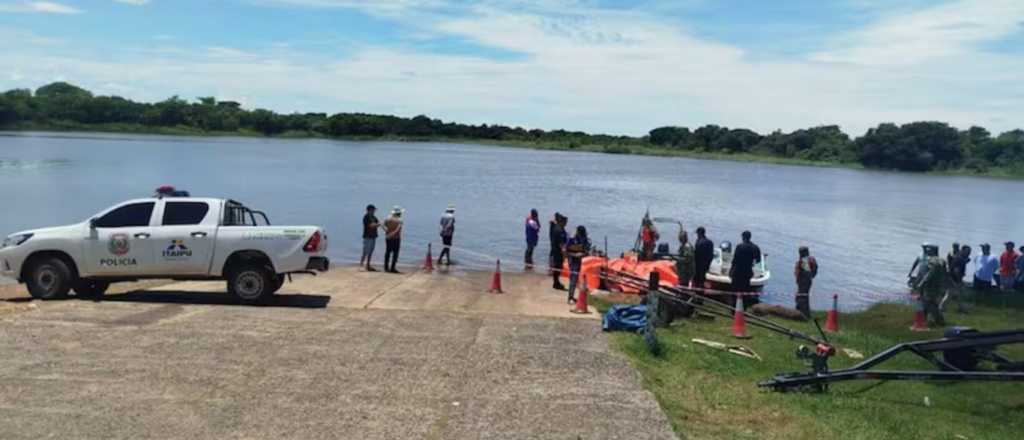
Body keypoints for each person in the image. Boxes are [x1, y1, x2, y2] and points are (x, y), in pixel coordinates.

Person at [914, 244, 947, 327]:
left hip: (930, 286)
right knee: (926, 303)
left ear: (933, 251)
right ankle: (923, 321)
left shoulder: (933, 261)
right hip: (938, 286)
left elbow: (929, 274)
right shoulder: (942, 260)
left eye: (929, 250)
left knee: (929, 303)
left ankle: (939, 321)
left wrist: (921, 283)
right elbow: (945, 274)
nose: (928, 251)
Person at [729, 230, 762, 308]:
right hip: (747, 271)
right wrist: (751, 263)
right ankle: (743, 307)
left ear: (743, 237)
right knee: (745, 290)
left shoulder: (740, 246)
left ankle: (734, 308)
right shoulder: (755, 247)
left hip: (738, 271)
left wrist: (731, 271)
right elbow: (758, 260)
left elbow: (734, 260)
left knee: (735, 290)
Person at [564, 225, 591, 305]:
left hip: (579, 260)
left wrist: (582, 254)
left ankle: (572, 296)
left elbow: (586, 251)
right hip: (572, 260)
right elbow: (566, 251)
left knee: (575, 279)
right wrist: (574, 255)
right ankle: (570, 298)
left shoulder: (585, 239)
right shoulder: (572, 239)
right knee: (573, 279)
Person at [942, 245, 971, 314]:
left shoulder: (960, 257)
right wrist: (958, 281)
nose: (969, 253)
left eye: (969, 252)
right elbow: (956, 271)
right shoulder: (960, 258)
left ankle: (961, 307)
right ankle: (941, 307)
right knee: (950, 294)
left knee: (958, 294)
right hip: (953, 279)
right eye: (967, 251)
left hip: (953, 278)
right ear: (963, 250)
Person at [793, 246, 818, 318]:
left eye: (800, 252)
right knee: (804, 297)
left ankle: (801, 313)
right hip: (807, 282)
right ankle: (804, 312)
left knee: (801, 297)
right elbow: (814, 271)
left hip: (804, 283)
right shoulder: (811, 260)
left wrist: (800, 280)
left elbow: (807, 273)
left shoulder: (804, 262)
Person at [548, 213, 568, 290]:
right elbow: (561, 245)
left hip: (555, 250)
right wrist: (564, 255)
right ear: (562, 221)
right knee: (558, 267)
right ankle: (556, 283)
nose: (566, 224)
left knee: (557, 267)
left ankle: (556, 282)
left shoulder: (557, 228)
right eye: (565, 222)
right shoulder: (560, 230)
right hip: (558, 252)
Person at [383, 206, 404, 274]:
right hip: (396, 238)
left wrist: (387, 232)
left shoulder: (387, 219)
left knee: (387, 252)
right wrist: (393, 234)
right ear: (398, 214)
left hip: (388, 237)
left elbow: (383, 225)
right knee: (395, 253)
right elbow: (398, 229)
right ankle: (392, 268)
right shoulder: (400, 220)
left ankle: (386, 267)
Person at [360, 204, 380, 272]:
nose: (374, 211)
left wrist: (377, 225)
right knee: (365, 251)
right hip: (367, 236)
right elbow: (370, 225)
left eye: (374, 210)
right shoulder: (366, 217)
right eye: (373, 210)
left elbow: (378, 223)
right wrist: (377, 224)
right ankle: (361, 265)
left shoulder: (374, 217)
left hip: (373, 236)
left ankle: (368, 265)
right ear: (369, 210)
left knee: (371, 251)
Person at [693, 226, 713, 291]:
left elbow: (695, 255)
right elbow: (711, 256)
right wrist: (708, 265)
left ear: (699, 233)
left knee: (697, 281)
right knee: (702, 280)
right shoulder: (710, 242)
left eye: (697, 234)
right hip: (705, 266)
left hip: (698, 266)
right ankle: (700, 296)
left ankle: (696, 295)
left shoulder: (698, 242)